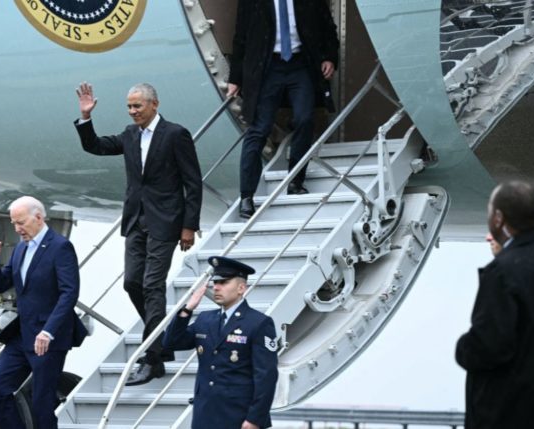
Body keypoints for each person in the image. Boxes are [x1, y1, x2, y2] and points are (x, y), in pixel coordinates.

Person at [75, 82, 203, 385]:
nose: (133, 111)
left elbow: (192, 182)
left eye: (138, 106)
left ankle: (153, 358)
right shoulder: (130, 135)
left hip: (166, 221)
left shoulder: (175, 134)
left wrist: (189, 225)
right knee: (132, 282)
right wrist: (85, 117)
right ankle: (162, 338)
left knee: (151, 285)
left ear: (154, 104)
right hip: (136, 220)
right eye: (129, 107)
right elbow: (95, 146)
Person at [456, 181, 534, 428]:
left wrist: (464, 347)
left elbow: (489, 347)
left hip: (510, 415)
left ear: (498, 218)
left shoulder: (502, 272)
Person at [227, 0, 339, 219]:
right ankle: (247, 197)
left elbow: (327, 27)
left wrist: (330, 58)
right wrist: (235, 78)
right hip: (267, 68)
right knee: (259, 129)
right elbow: (240, 37)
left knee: (305, 119)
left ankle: (295, 181)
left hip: (300, 65)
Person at [0, 196, 84, 429]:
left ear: (38, 217)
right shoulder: (20, 248)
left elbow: (69, 293)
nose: (17, 229)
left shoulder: (60, 247)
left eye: (21, 223)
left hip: (48, 338)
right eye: (13, 224)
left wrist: (48, 331)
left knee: (42, 403)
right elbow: (1, 285)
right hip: (22, 336)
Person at [163, 256, 278, 429]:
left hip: (239, 417)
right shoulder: (205, 319)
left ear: (241, 288)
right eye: (215, 282)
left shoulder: (258, 323)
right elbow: (171, 343)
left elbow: (266, 376)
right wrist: (187, 309)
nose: (216, 287)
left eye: (223, 282)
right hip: (205, 415)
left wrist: (255, 419)